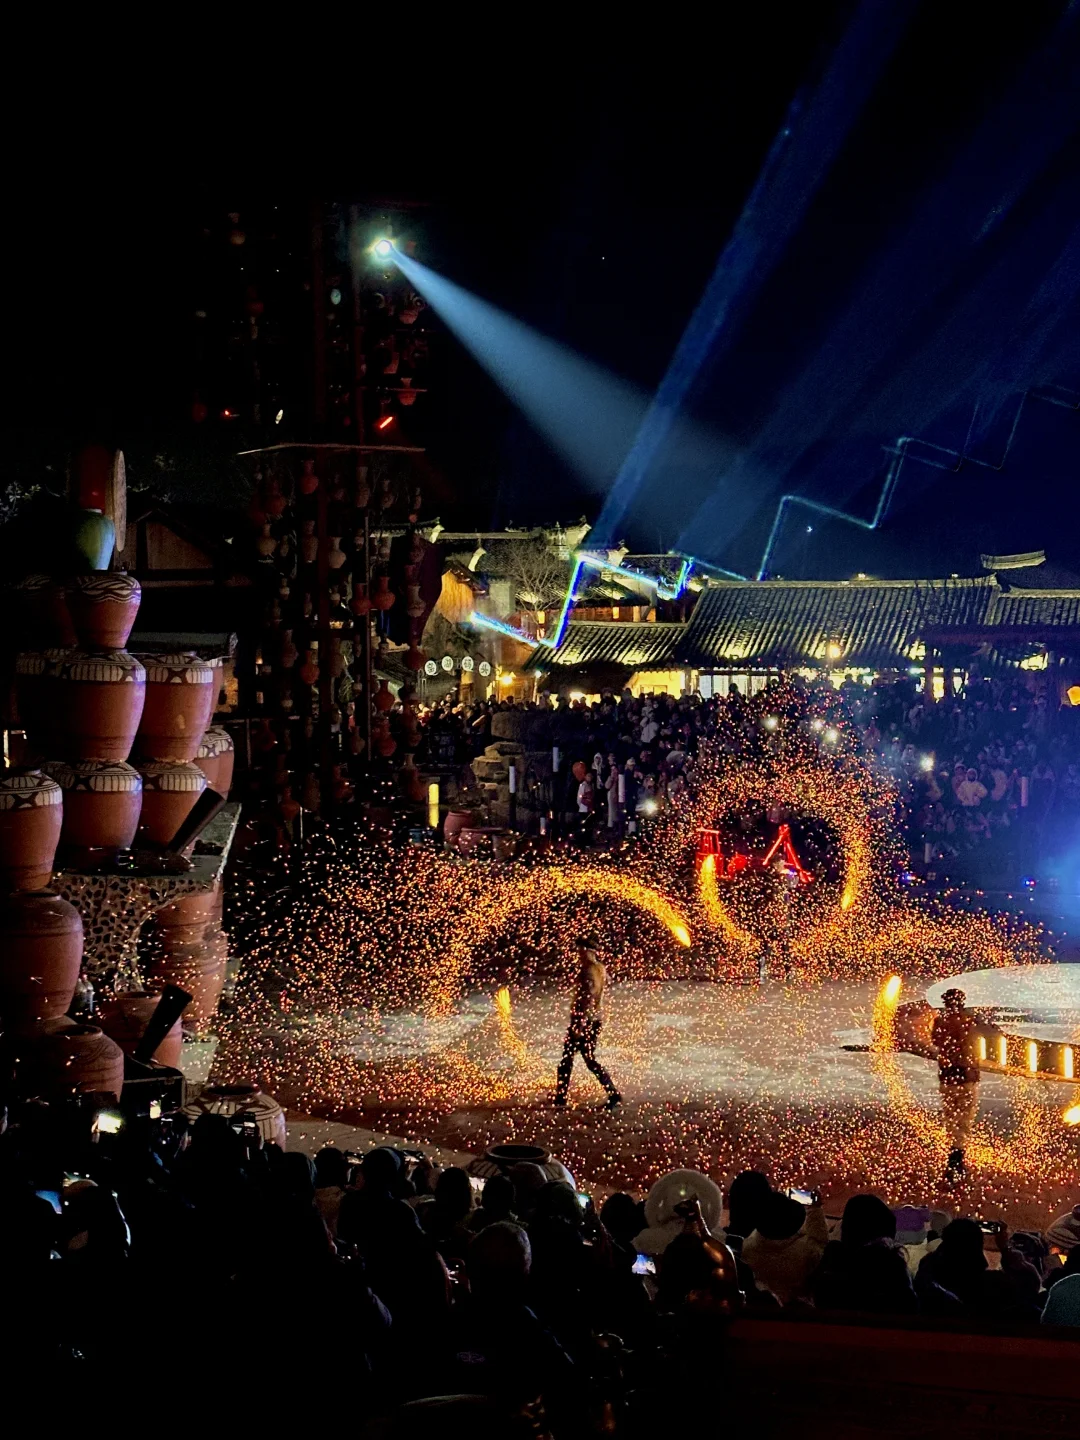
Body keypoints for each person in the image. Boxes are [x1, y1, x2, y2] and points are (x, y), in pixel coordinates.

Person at [554, 934, 621, 1108]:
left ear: (585, 950)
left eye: (579, 950)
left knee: (568, 1060)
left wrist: (579, 1023)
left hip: (585, 1020)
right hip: (595, 1019)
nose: (578, 953)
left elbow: (588, 997)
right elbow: (601, 988)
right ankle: (613, 1094)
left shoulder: (588, 970)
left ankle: (560, 1099)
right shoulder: (600, 968)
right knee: (587, 1059)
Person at [932, 988, 981, 1183]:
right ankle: (957, 1162)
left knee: (952, 1120)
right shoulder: (969, 1021)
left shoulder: (940, 1021)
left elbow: (936, 1041)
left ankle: (953, 1160)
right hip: (966, 1077)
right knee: (964, 1120)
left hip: (947, 1078)